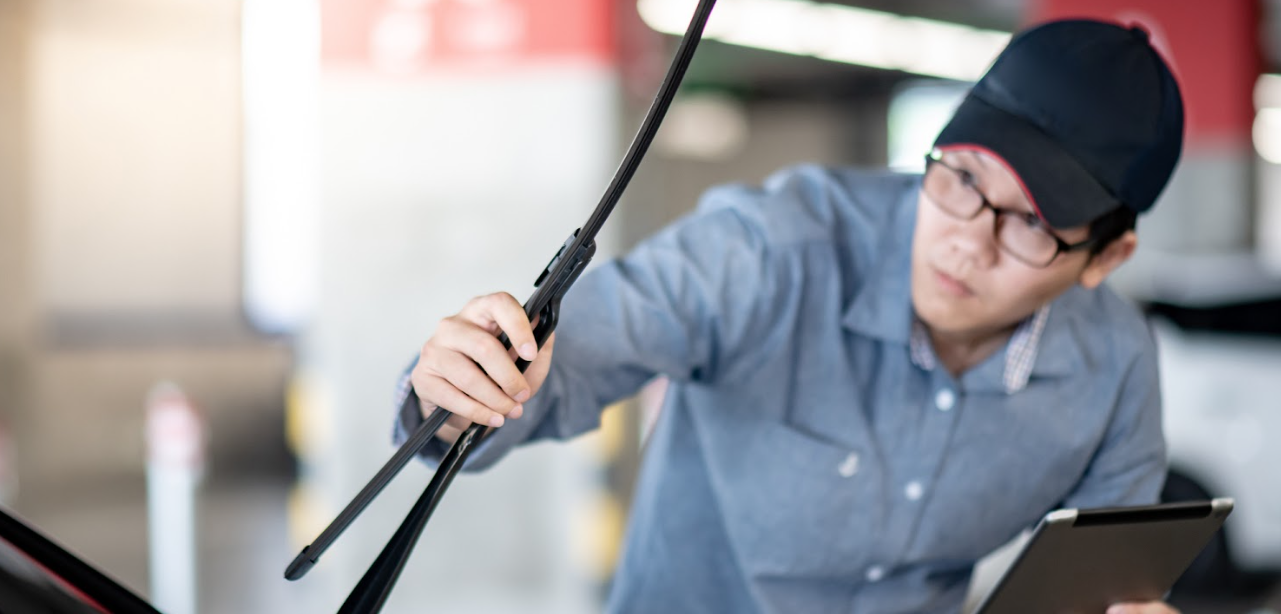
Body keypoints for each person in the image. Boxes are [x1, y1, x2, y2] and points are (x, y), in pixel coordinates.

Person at [394, 18, 1187, 614]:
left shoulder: (1113, 369)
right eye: (962, 179)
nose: (967, 243)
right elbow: (572, 358)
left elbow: (1100, 583)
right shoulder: (773, 249)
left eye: (1031, 226)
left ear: (1104, 260)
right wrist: (462, 383)